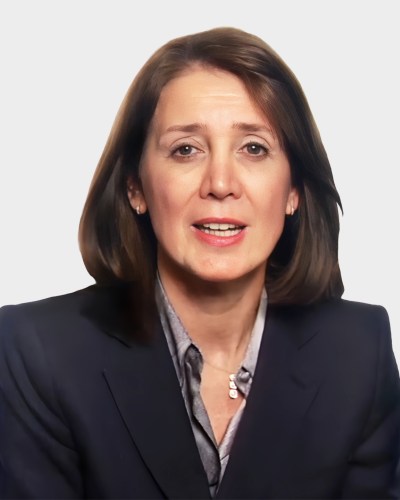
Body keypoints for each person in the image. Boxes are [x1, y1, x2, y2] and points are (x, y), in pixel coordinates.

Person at [0, 26, 399, 499]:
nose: (221, 183)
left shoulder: (357, 353)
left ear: (294, 190)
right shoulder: (36, 352)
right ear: (136, 187)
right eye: (185, 149)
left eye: (254, 148)